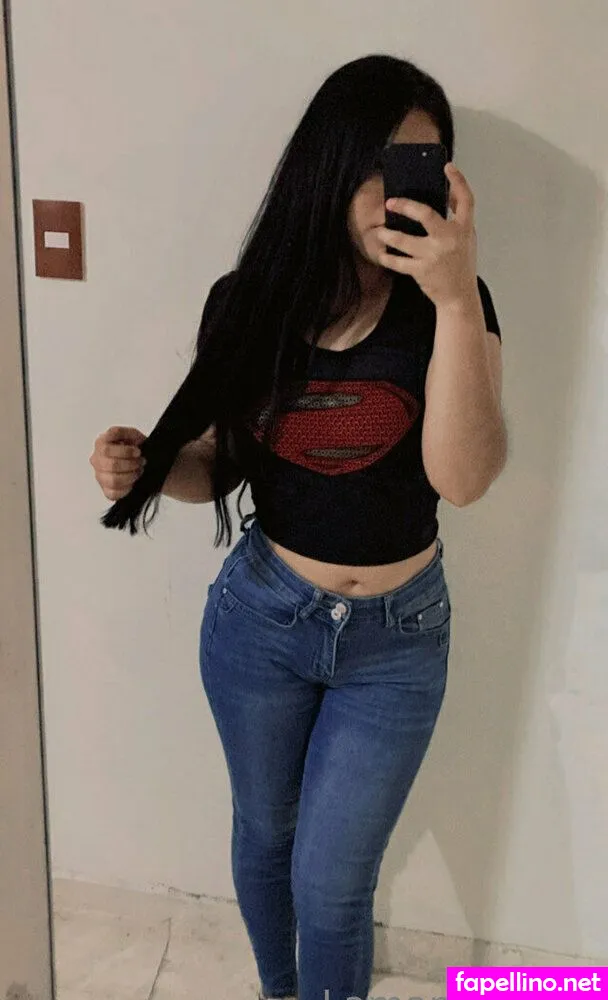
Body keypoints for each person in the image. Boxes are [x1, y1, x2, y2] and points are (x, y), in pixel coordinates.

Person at [90, 54, 506, 1000]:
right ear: (327, 165)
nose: (391, 191)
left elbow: (464, 479)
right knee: (265, 836)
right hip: (262, 622)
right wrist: (145, 466)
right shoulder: (248, 304)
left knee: (332, 885)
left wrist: (452, 296)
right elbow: (217, 467)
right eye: (373, 164)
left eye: (415, 167)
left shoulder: (457, 305)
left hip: (397, 641)